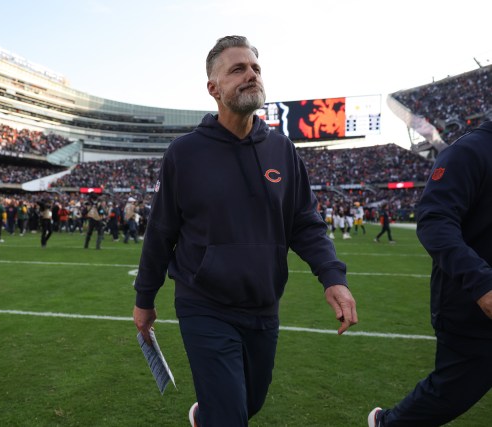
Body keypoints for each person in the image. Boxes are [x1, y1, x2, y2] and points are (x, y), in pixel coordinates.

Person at [132, 35, 358, 427]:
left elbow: (304, 223)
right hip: (204, 303)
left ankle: (208, 415)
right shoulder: (184, 153)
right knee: (231, 417)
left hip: (263, 305)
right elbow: (161, 232)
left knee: (248, 404)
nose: (251, 75)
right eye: (238, 69)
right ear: (213, 88)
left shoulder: (283, 150)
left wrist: (332, 277)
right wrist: (144, 299)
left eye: (255, 68)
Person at [368, 120, 492, 426]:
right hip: (471, 307)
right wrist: (482, 284)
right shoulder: (471, 150)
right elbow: (435, 219)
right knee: (450, 393)